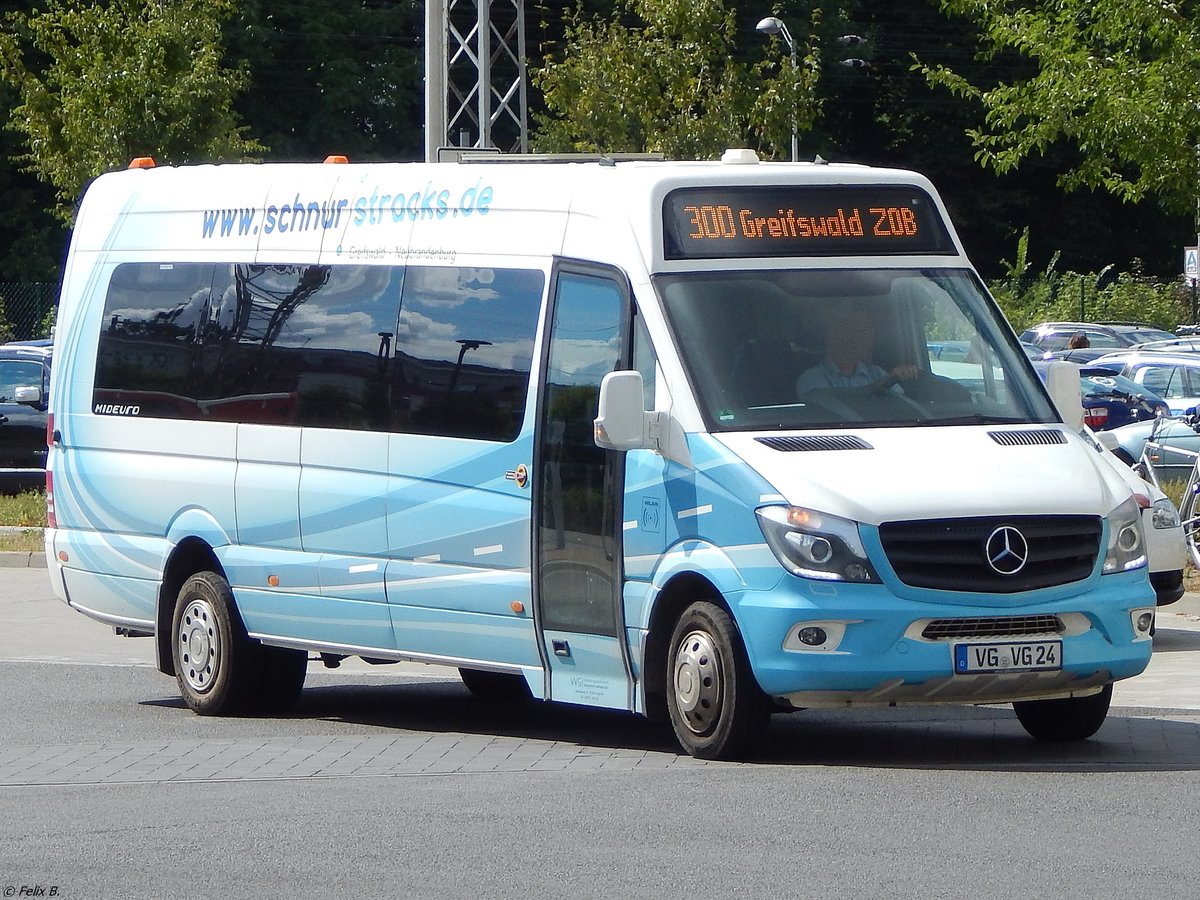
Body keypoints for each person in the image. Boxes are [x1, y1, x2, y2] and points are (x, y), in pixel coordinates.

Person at [795, 307, 919, 395]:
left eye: (869, 332)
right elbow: (838, 411)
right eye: (859, 331)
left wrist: (903, 376)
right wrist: (880, 387)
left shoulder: (876, 373)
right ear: (836, 336)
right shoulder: (811, 379)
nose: (868, 339)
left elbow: (901, 402)